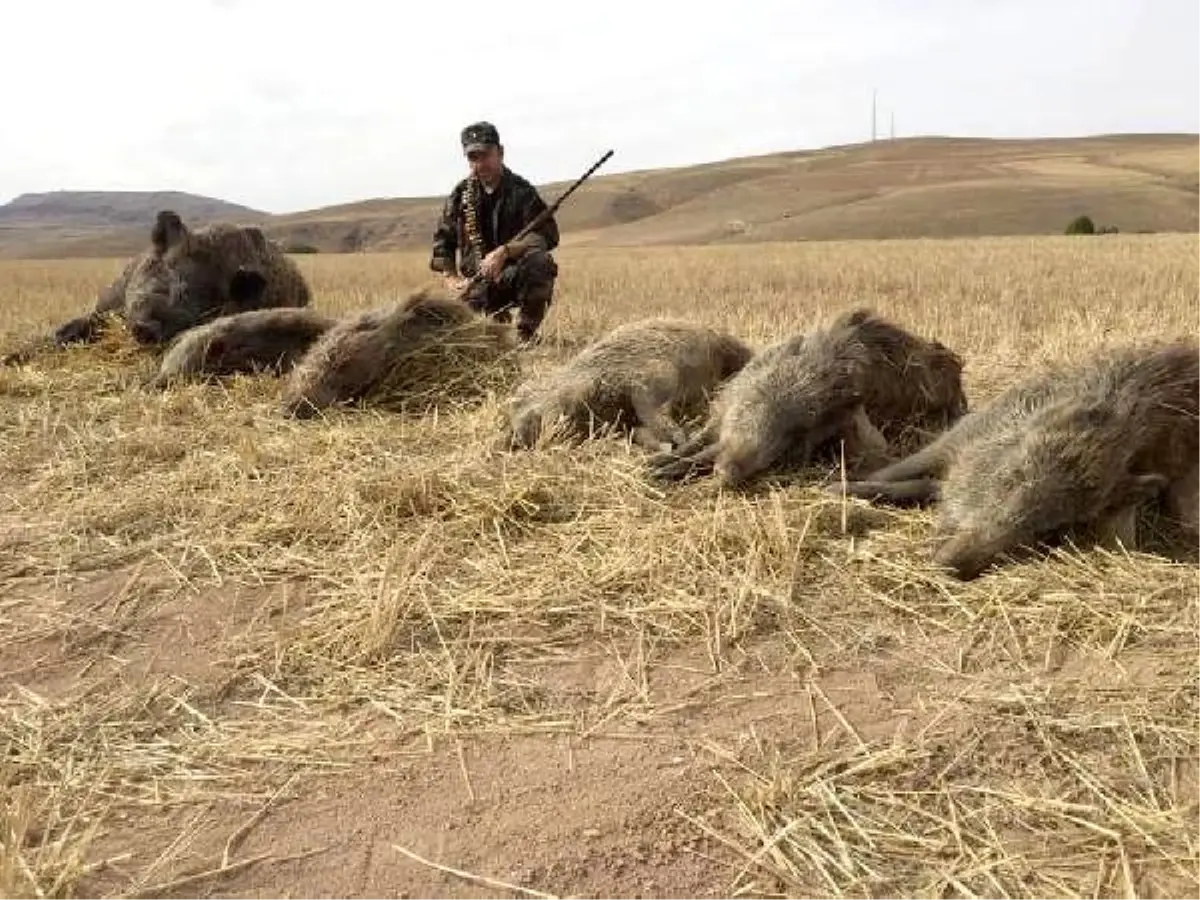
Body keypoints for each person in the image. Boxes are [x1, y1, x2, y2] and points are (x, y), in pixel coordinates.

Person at [430, 121, 560, 346]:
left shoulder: (521, 191)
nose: (480, 164)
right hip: (475, 285)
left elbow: (547, 234)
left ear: (500, 152)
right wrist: (452, 279)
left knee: (541, 262)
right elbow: (443, 242)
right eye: (473, 158)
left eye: (486, 155)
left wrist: (506, 251)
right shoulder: (460, 196)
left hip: (511, 277)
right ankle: (492, 323)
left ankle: (525, 336)